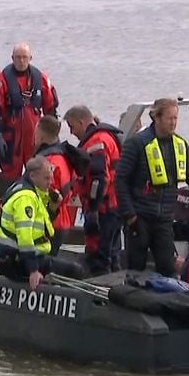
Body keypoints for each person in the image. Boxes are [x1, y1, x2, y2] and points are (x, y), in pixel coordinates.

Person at [114, 97, 189, 277]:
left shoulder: (180, 145)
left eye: (176, 118)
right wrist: (130, 215)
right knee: (135, 268)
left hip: (164, 220)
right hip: (139, 218)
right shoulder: (136, 143)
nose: (173, 123)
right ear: (156, 118)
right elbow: (120, 181)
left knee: (167, 267)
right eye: (169, 118)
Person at [0, 155, 85, 289]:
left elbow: (40, 229)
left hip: (11, 256)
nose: (50, 182)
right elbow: (25, 238)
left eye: (50, 178)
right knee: (75, 270)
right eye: (46, 178)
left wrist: (53, 208)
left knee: (62, 264)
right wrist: (33, 270)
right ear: (33, 176)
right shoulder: (26, 198)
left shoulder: (25, 189)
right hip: (14, 260)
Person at [63, 104, 125, 275]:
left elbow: (99, 179)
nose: (71, 132)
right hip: (113, 205)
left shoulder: (96, 142)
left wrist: (92, 208)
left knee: (99, 255)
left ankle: (100, 292)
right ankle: (114, 286)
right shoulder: (104, 137)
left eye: (72, 126)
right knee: (112, 253)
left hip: (104, 208)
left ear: (81, 122)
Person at [0, 42, 59, 180]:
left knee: (38, 175)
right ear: (12, 58)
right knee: (9, 177)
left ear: (30, 58)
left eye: (24, 57)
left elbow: (51, 108)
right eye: (18, 57)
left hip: (35, 139)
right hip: (10, 138)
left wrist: (53, 135)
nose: (21, 61)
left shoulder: (41, 79)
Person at [32, 115, 78, 254]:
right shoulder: (63, 156)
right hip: (62, 220)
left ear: (41, 136)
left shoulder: (47, 162)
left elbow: (49, 195)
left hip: (51, 223)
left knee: (43, 262)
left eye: (35, 133)